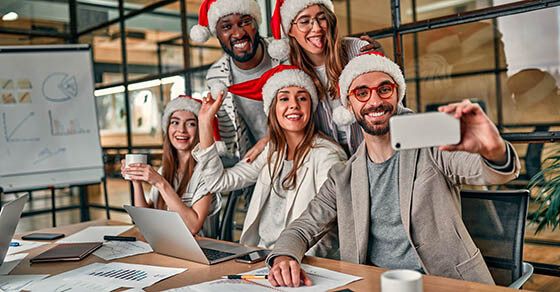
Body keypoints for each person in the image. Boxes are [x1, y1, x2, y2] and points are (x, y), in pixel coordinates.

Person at [266, 52, 521, 287]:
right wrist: (284, 257)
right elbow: (302, 228)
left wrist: (493, 149)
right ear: (349, 105)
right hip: (375, 285)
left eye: (384, 89)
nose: (375, 101)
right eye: (362, 93)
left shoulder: (432, 146)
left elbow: (490, 171)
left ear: (397, 95)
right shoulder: (342, 176)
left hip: (447, 283)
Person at [192, 65, 347, 255]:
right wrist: (205, 122)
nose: (294, 105)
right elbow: (217, 181)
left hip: (300, 261)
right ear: (272, 108)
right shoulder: (270, 152)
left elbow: (332, 224)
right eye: (284, 98)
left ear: (311, 106)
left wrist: (296, 260)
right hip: (260, 256)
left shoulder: (327, 155)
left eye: (302, 98)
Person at [268, 0, 383, 155]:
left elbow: (385, 100)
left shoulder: (357, 50)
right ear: (290, 30)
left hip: (373, 153)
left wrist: (381, 62)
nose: (316, 28)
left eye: (321, 18)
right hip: (327, 161)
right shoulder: (288, 72)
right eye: (304, 21)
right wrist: (267, 140)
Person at [121, 96, 221, 238]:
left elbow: (193, 226)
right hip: (167, 246)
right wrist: (136, 181)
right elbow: (146, 220)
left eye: (191, 124)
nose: (181, 130)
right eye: (175, 122)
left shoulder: (207, 171)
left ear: (200, 130)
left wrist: (160, 182)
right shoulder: (165, 170)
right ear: (167, 128)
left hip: (201, 252)